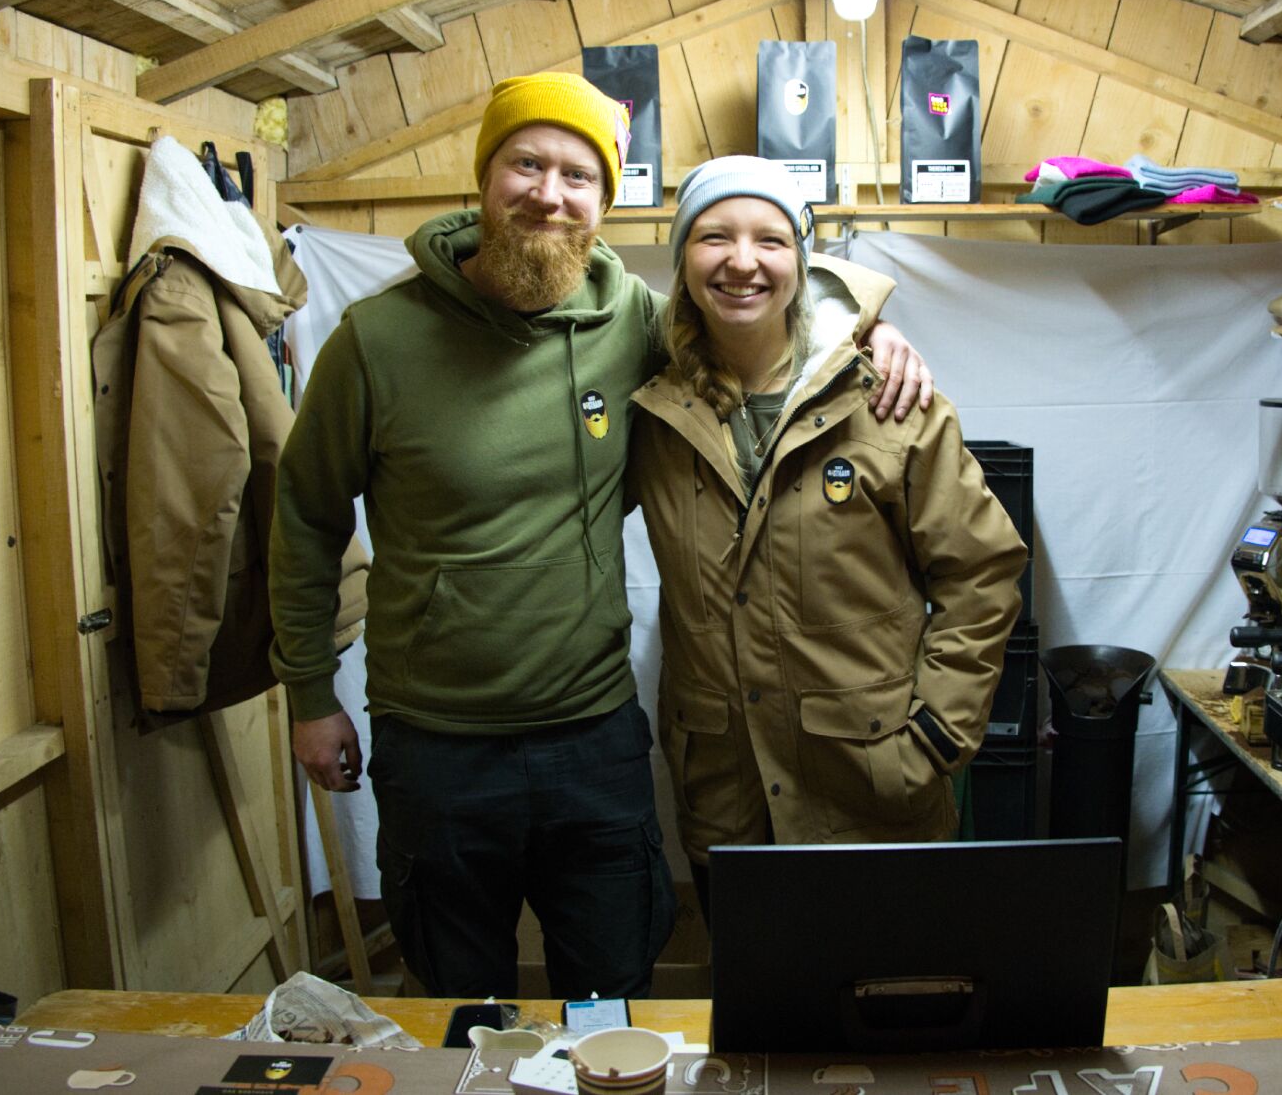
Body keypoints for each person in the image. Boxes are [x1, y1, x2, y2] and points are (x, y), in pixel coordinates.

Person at [268, 75, 931, 1000]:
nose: (550, 194)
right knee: (459, 999)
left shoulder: (634, 323)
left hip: (593, 735)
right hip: (436, 744)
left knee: (612, 990)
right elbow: (305, 515)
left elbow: (753, 301)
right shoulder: (377, 339)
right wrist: (310, 693)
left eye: (578, 176)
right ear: (485, 177)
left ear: (604, 202)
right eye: (526, 164)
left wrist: (871, 321)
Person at [628, 157, 1028, 917]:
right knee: (752, 989)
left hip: (873, 791)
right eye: (714, 236)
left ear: (802, 260)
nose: (742, 260)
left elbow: (982, 573)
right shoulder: (652, 407)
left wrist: (938, 735)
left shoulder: (886, 400)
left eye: (770, 239)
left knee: (887, 984)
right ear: (681, 259)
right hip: (729, 799)